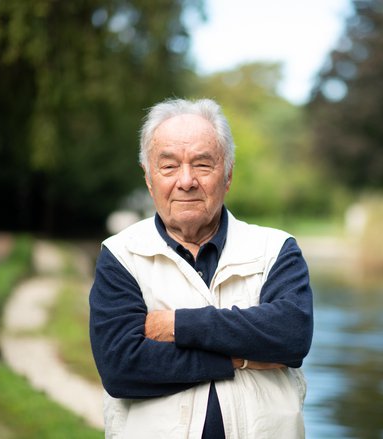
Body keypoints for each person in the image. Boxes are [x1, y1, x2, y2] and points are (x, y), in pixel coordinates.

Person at [89, 98, 314, 438]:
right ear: (149, 179)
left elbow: (291, 335)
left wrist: (177, 324)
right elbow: (122, 367)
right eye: (168, 167)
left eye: (202, 165)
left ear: (228, 175)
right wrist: (237, 359)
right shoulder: (121, 255)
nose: (186, 180)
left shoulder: (276, 249)